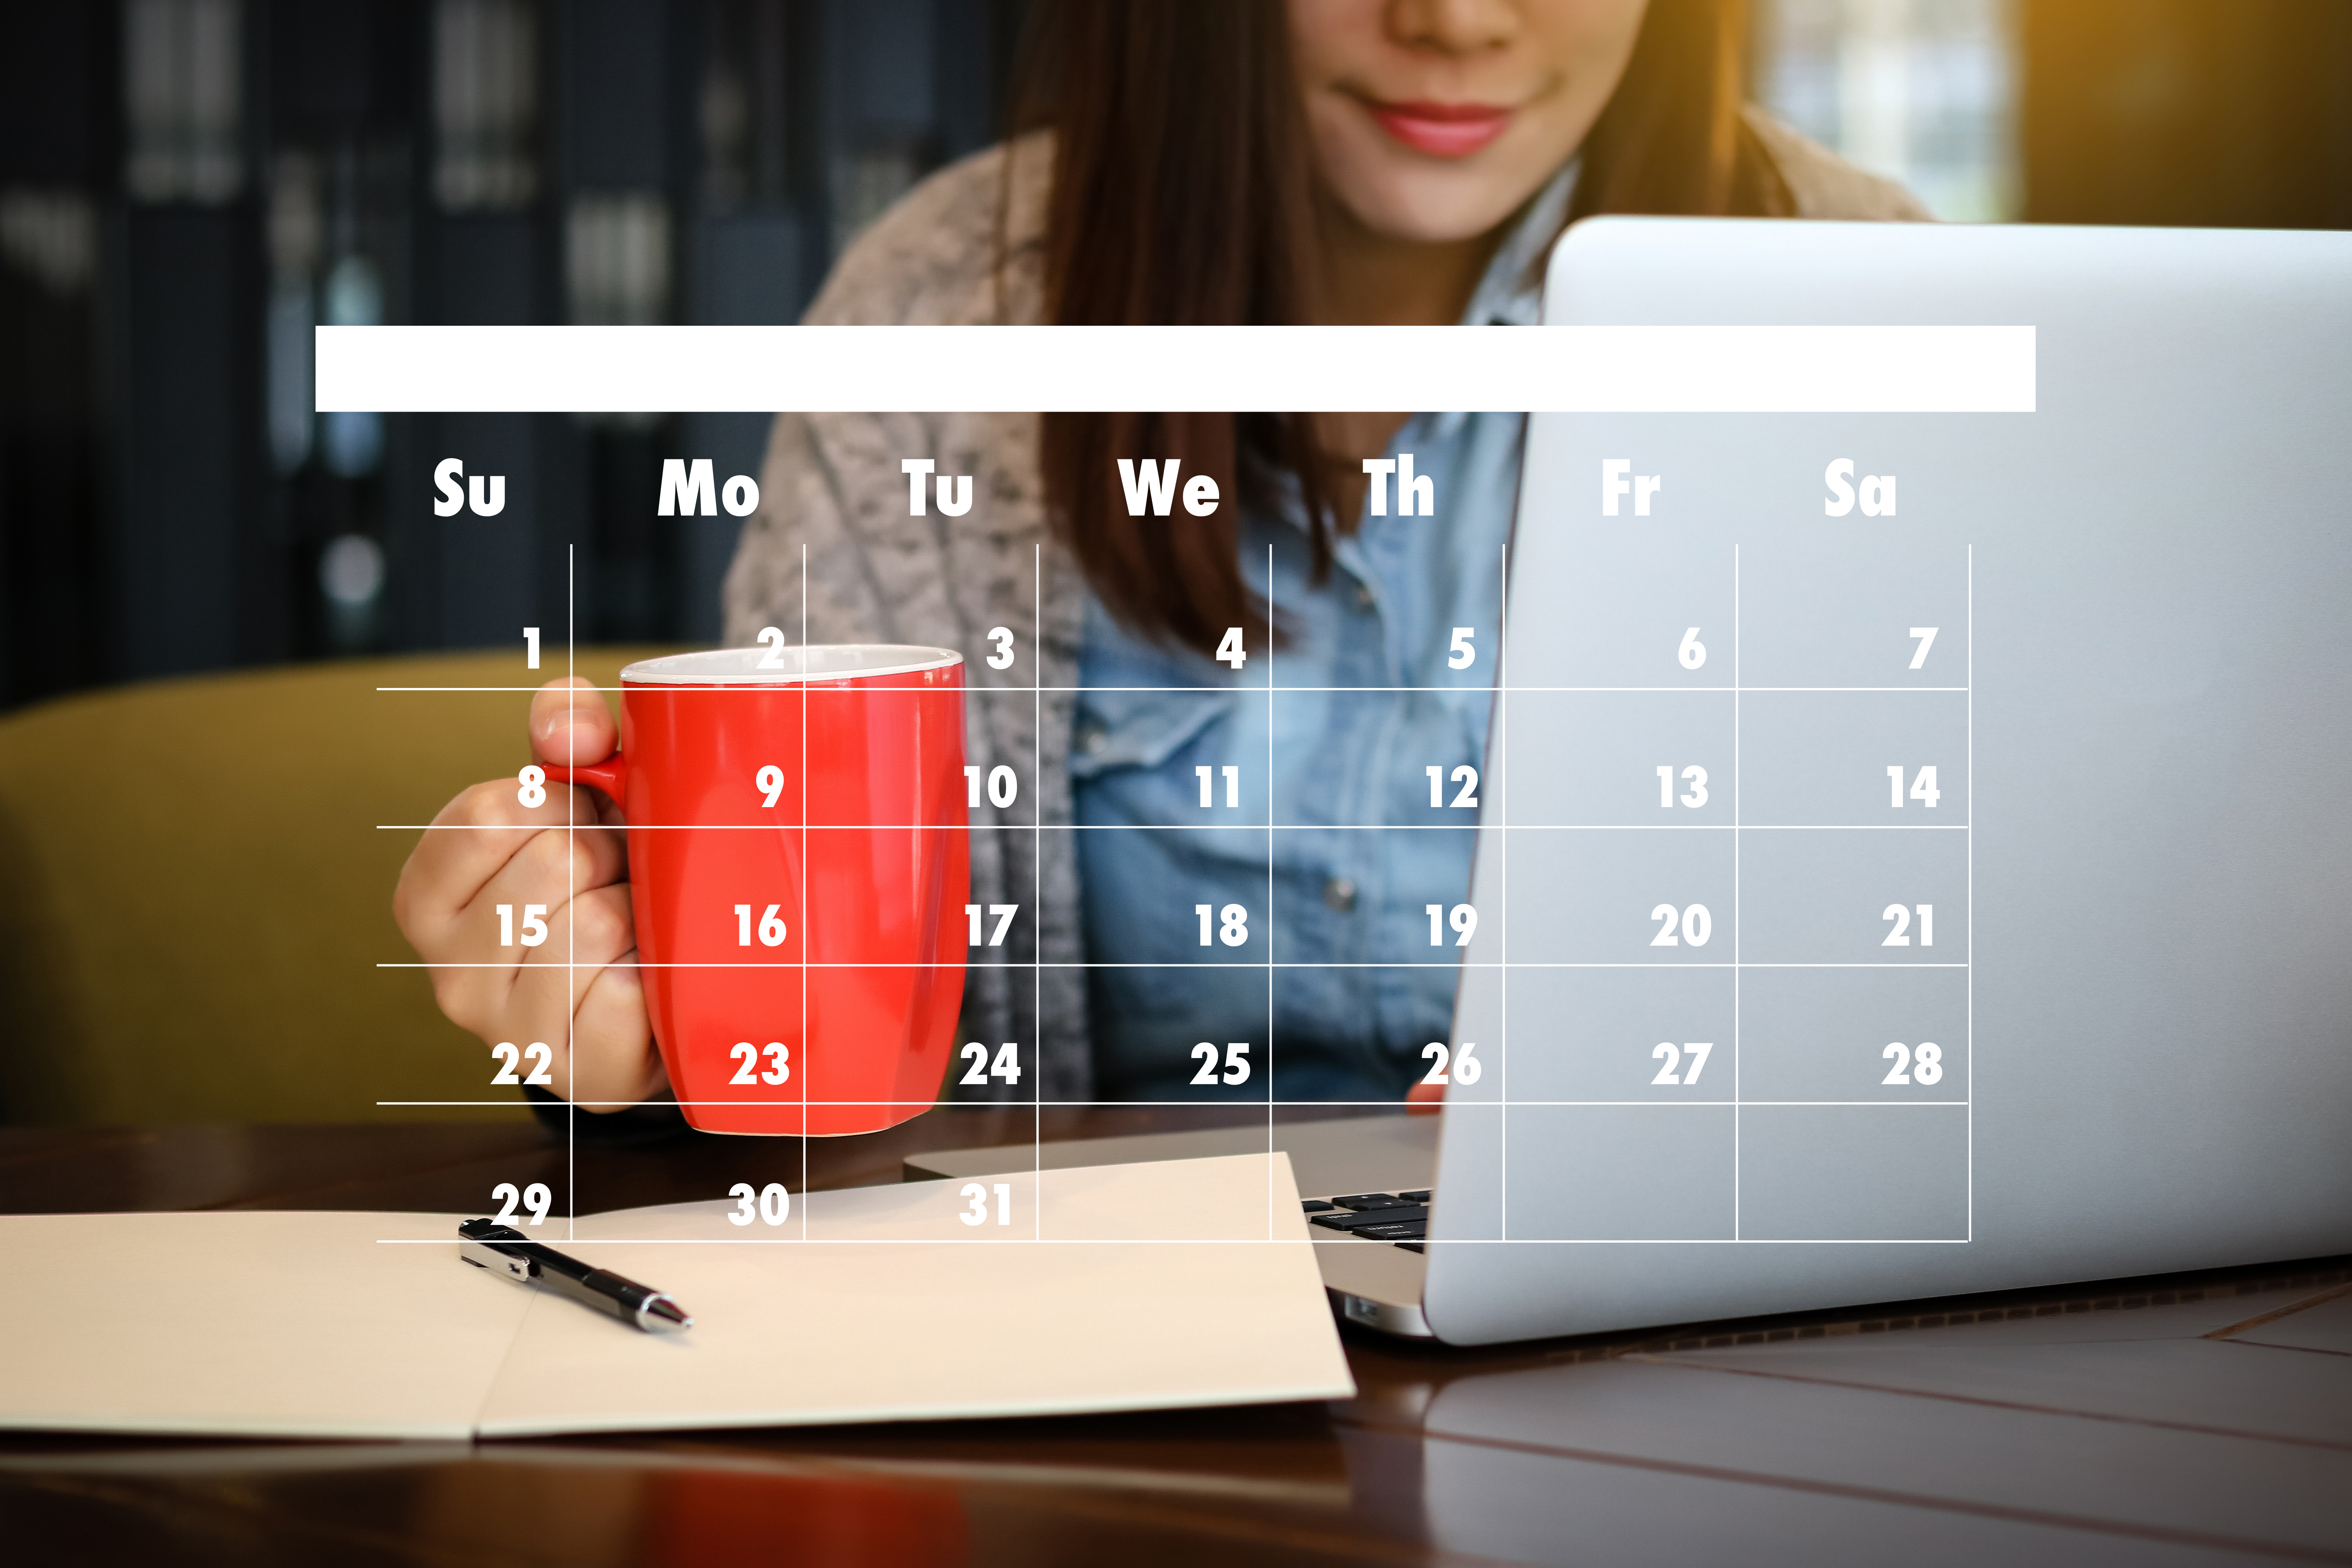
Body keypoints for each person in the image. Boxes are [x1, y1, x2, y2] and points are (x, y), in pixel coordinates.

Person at [394, 0, 1924, 1124]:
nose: (1457, 21)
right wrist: (633, 1044)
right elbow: (814, 1079)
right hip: (1082, 1385)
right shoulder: (938, 327)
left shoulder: (1875, 298)